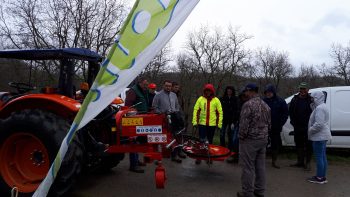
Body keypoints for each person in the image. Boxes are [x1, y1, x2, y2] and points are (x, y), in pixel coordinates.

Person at [237, 83, 271, 197]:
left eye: (246, 91)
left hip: (250, 140)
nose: (245, 93)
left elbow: (243, 125)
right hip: (263, 140)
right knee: (260, 166)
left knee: (248, 167)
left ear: (251, 91)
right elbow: (269, 124)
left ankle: (247, 193)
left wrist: (241, 137)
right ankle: (260, 191)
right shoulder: (266, 105)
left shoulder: (248, 105)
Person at [152, 80, 183, 163]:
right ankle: (159, 156)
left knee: (175, 136)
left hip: (174, 118)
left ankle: (174, 155)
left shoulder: (174, 95)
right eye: (166, 86)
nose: (168, 87)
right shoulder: (158, 95)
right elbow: (154, 107)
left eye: (169, 86)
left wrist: (176, 112)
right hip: (163, 119)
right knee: (163, 137)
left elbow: (177, 106)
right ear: (163, 86)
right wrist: (162, 113)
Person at [192, 84, 223, 164]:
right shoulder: (200, 99)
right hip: (202, 124)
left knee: (210, 141)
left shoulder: (216, 100)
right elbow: (196, 110)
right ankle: (199, 157)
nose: (208, 92)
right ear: (204, 91)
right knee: (201, 141)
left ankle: (209, 157)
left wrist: (219, 124)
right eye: (206, 90)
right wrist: (195, 122)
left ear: (212, 91)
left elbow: (220, 113)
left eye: (209, 91)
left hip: (212, 125)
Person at [125, 77, 150, 173]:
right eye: (144, 84)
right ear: (139, 83)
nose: (146, 86)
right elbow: (128, 106)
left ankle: (136, 160)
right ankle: (133, 165)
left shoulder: (143, 91)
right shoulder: (133, 91)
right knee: (133, 141)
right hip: (134, 119)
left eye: (146, 85)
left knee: (137, 141)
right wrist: (133, 116)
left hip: (142, 118)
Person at [307, 91, 331, 184]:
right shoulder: (322, 106)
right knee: (323, 157)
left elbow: (319, 124)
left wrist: (310, 130)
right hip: (322, 136)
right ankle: (322, 176)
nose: (312, 99)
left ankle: (320, 178)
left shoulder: (320, 108)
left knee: (319, 157)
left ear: (317, 98)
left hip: (319, 136)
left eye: (313, 98)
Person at [263, 84, 288, 169]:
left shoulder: (280, 101)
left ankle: (274, 161)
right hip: (264, 127)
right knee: (263, 143)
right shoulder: (263, 101)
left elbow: (285, 113)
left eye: (269, 92)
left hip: (276, 127)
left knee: (275, 144)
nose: (268, 94)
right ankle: (261, 160)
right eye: (266, 92)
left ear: (273, 92)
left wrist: (280, 123)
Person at [289, 82, 313, 171]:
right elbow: (290, 111)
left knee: (308, 145)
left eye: (304, 89)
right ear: (299, 89)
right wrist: (293, 122)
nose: (302, 90)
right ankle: (300, 162)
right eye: (301, 89)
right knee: (298, 144)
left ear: (307, 90)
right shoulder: (294, 99)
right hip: (297, 126)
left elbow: (315, 111)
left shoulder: (311, 99)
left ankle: (308, 163)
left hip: (308, 127)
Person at [219, 86, 238, 161]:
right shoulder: (222, 99)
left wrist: (234, 121)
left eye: (230, 90)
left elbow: (236, 110)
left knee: (230, 135)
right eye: (228, 90)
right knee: (222, 134)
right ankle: (222, 148)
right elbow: (219, 109)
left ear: (232, 91)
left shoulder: (235, 99)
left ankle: (229, 150)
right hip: (223, 119)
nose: (229, 91)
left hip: (231, 120)